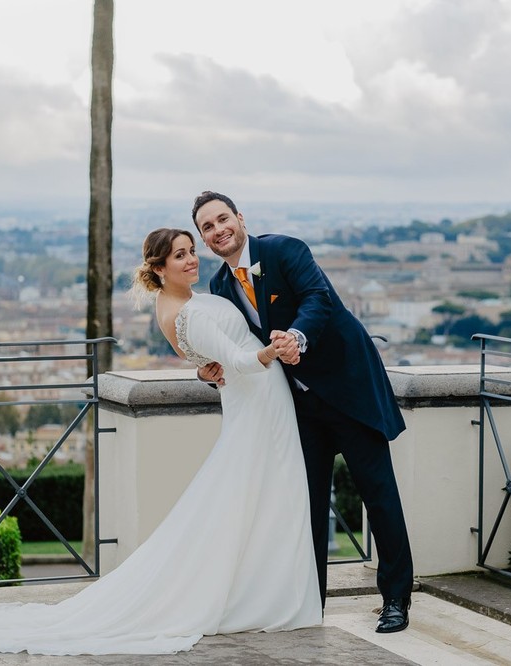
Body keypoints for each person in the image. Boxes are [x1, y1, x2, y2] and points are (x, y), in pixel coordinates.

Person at [0, 228, 322, 655]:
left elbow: (208, 358)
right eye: (180, 255)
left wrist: (208, 367)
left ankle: (262, 591)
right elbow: (239, 361)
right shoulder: (187, 311)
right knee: (260, 493)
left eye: (191, 252)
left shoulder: (179, 304)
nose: (191, 260)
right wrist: (273, 350)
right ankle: (266, 597)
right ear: (158, 267)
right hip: (258, 400)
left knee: (261, 495)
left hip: (257, 403)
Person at [192, 191, 414, 633]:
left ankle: (395, 600)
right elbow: (240, 346)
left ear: (240, 217)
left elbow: (318, 300)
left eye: (222, 219)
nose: (219, 231)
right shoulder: (219, 287)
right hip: (298, 406)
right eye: (207, 228)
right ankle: (312, 603)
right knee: (306, 506)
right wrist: (210, 369)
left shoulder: (285, 249)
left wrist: (297, 336)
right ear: (204, 238)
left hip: (348, 391)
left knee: (379, 496)